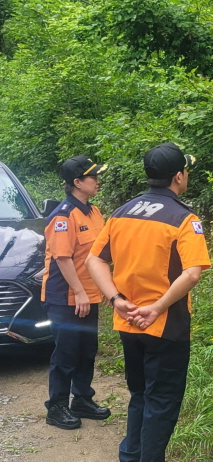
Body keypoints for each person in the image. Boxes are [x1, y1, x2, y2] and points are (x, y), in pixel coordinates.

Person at [86, 143, 211, 462]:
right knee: (162, 401)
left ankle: (130, 455)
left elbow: (94, 260)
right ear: (179, 176)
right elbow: (192, 273)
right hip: (165, 325)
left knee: (140, 394)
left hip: (128, 321)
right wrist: (156, 308)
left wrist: (115, 299)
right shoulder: (184, 218)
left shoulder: (121, 213)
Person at [41, 156, 111, 429]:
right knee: (66, 353)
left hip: (88, 294)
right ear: (77, 183)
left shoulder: (94, 212)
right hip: (65, 297)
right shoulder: (63, 216)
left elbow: (99, 254)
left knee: (87, 350)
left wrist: (106, 289)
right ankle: (56, 406)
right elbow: (63, 258)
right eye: (93, 176)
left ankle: (82, 399)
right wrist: (79, 292)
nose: (98, 181)